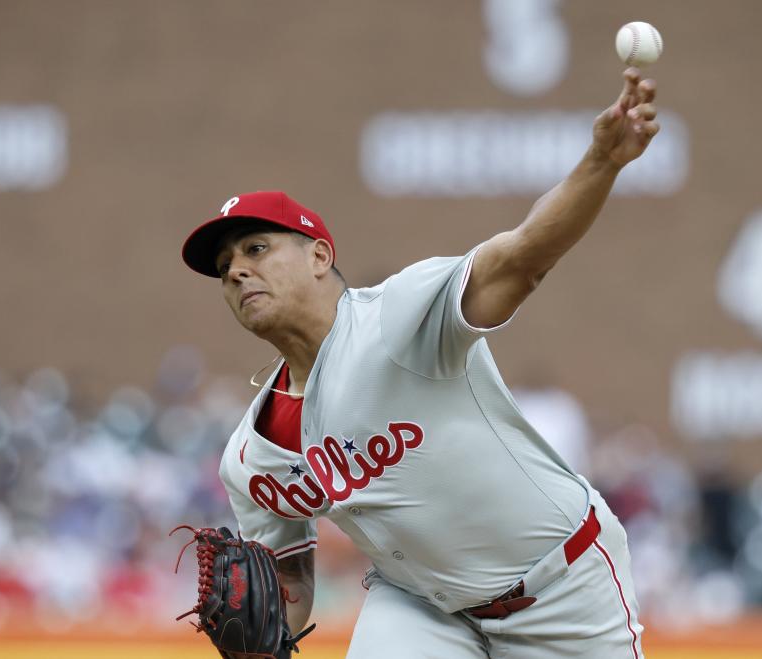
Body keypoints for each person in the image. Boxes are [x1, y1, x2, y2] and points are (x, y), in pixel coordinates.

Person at [180, 68, 658, 658]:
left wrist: (601, 162)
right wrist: (261, 630)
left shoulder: (399, 318)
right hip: (420, 604)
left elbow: (525, 255)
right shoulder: (249, 459)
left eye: (256, 249)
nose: (235, 271)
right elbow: (290, 582)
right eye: (224, 266)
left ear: (319, 257)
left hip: (561, 586)